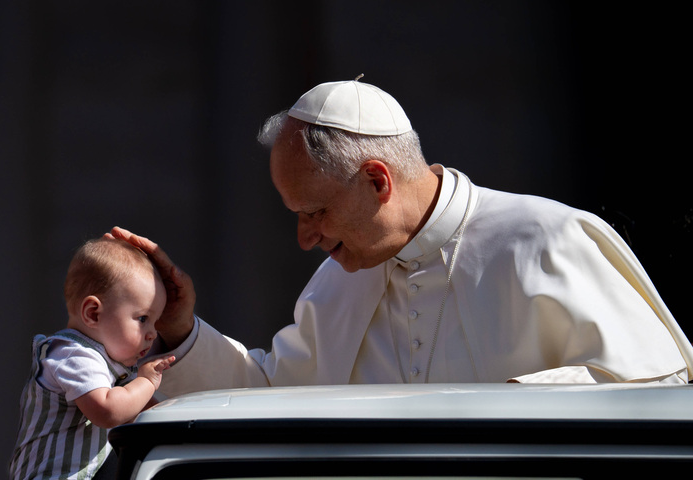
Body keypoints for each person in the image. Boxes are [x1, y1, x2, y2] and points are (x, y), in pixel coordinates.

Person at [112, 79, 692, 397]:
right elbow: (270, 395)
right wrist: (180, 329)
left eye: (314, 211)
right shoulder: (339, 281)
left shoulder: (542, 238)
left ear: (376, 180)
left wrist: (514, 407)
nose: (305, 239)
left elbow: (655, 387)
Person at [9, 237, 175, 480]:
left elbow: (137, 411)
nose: (152, 333)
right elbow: (109, 410)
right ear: (93, 313)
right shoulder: (73, 355)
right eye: (142, 318)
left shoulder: (107, 364)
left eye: (154, 322)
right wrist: (147, 382)